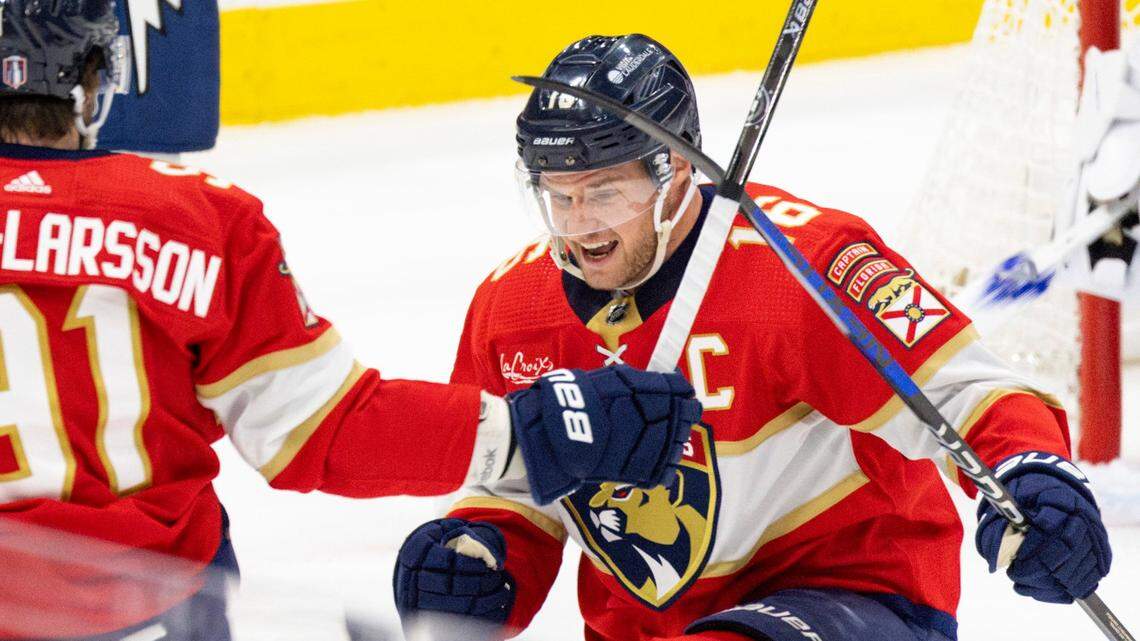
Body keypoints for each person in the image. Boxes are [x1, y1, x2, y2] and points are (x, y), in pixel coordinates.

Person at [0, 6, 704, 638]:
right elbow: (325, 430)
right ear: (95, 80)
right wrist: (545, 432)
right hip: (152, 614)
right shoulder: (196, 221)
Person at [392, 34, 1115, 641]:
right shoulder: (512, 310)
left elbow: (968, 392)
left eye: (604, 191)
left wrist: (1034, 478)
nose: (578, 225)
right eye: (559, 195)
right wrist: (482, 554)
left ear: (672, 171)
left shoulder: (803, 266)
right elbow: (514, 490)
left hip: (855, 597)